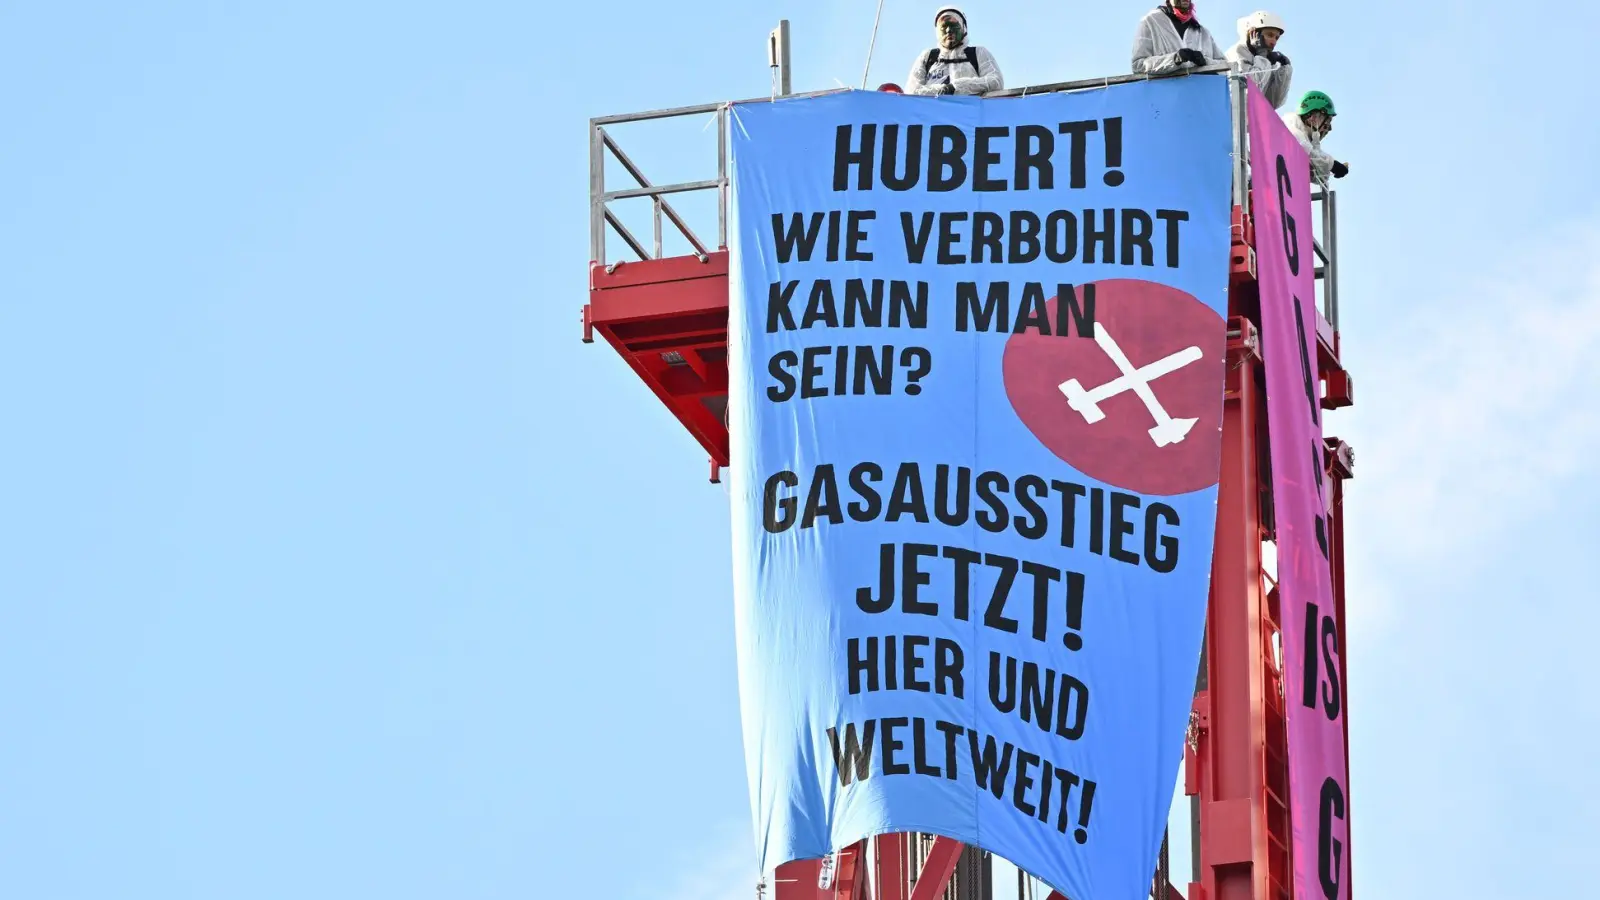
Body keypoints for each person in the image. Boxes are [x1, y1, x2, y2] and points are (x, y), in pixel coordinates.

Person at [904, 6, 1004, 96]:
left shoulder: (978, 53)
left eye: (953, 25)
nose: (948, 30)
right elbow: (911, 91)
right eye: (944, 26)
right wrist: (940, 90)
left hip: (969, 114)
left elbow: (996, 81)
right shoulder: (927, 57)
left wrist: (957, 87)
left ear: (963, 28)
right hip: (933, 115)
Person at [1132, 0, 1226, 76]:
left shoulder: (1202, 32)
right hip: (1166, 96)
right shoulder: (1151, 22)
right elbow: (1138, 65)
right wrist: (1174, 59)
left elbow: (1226, 68)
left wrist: (1205, 62)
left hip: (1200, 97)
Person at [1226, 11, 1292, 108]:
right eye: (1269, 35)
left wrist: (1285, 70)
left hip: (1251, 120)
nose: (1273, 42)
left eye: (1276, 38)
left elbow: (1273, 102)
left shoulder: (1265, 61)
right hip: (1232, 118)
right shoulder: (1238, 52)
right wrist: (1262, 57)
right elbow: (1250, 89)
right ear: (1253, 33)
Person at [1283, 91, 1349, 184]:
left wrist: (1332, 165)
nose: (1328, 127)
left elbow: (1319, 174)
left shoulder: (1305, 137)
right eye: (1327, 120)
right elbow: (1303, 148)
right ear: (1313, 117)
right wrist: (1332, 164)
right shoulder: (1290, 123)